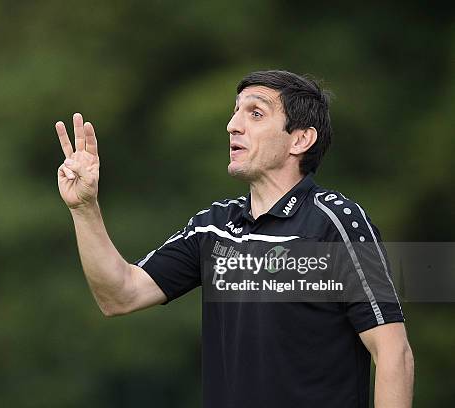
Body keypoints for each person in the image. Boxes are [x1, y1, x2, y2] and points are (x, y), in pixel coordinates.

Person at [55, 70, 414, 408]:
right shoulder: (214, 227)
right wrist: (84, 208)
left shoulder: (337, 223)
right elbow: (120, 295)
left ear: (300, 139)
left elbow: (392, 352)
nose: (232, 126)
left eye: (255, 113)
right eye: (235, 112)